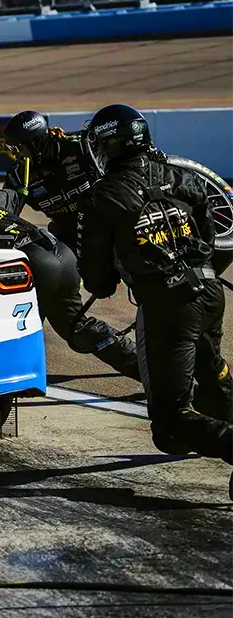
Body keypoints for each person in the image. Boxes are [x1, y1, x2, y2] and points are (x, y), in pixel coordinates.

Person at [77, 103, 232, 481]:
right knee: (212, 377)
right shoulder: (183, 175)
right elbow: (211, 238)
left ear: (109, 146)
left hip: (168, 307)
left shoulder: (100, 198)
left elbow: (97, 281)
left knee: (171, 421)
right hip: (210, 291)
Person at [0, 198, 140, 381]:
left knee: (12, 329)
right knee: (78, 328)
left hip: (37, 268)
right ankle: (145, 371)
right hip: (63, 256)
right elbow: (14, 194)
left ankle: (4, 378)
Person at [0, 110, 100, 252]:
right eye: (10, 148)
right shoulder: (18, 175)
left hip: (105, 229)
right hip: (66, 240)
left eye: (17, 147)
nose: (14, 154)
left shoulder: (81, 147)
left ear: (36, 143)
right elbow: (3, 214)